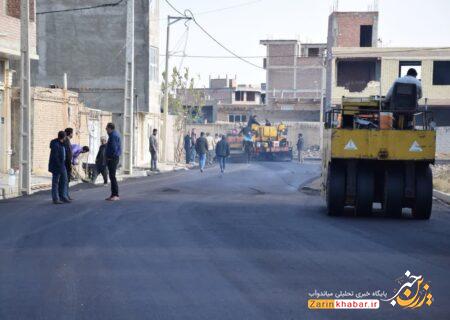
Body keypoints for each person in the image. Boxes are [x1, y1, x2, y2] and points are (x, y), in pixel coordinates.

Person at [48, 131, 70, 204]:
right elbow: (55, 157)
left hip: (62, 165)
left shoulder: (62, 144)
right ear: (63, 137)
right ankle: (56, 199)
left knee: (64, 180)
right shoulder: (56, 145)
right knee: (55, 182)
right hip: (57, 166)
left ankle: (63, 196)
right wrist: (59, 166)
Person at [105, 123, 122, 201]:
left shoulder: (113, 136)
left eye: (107, 129)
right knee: (112, 177)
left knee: (112, 176)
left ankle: (115, 194)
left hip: (112, 159)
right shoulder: (114, 134)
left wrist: (109, 158)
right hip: (113, 158)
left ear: (110, 128)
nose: (106, 130)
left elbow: (114, 149)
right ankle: (113, 195)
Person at [63, 127, 74, 200]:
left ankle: (66, 195)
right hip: (66, 164)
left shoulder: (67, 141)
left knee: (67, 180)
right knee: (65, 180)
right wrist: (69, 164)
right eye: (72, 133)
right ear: (70, 133)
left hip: (67, 163)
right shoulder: (66, 141)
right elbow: (67, 154)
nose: (73, 134)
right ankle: (64, 195)